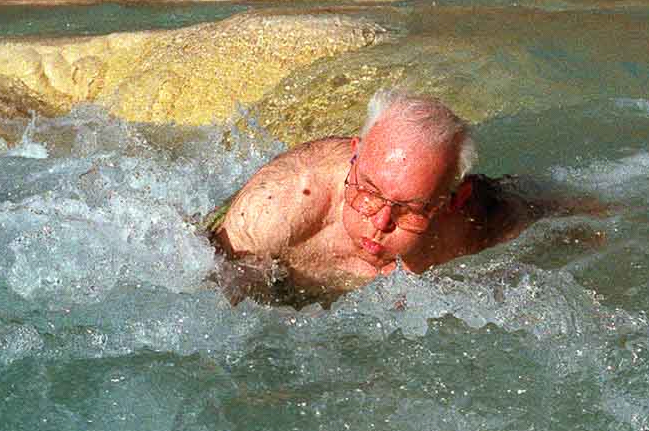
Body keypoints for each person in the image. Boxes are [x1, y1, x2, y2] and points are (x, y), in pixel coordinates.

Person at [211, 90, 540, 305]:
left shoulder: (477, 226)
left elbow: (567, 213)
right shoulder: (278, 208)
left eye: (410, 210)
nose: (381, 222)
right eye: (368, 192)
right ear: (356, 154)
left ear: (453, 200)